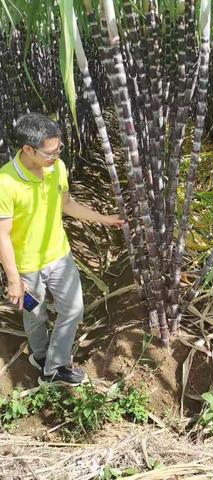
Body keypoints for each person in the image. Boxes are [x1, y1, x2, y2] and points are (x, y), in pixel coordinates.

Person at [0, 113, 124, 386]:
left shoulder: (57, 168)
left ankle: (54, 367)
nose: (56, 155)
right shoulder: (6, 183)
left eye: (59, 149)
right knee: (34, 313)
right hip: (27, 268)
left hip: (59, 256)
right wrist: (13, 279)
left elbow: (66, 204)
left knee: (73, 309)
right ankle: (41, 357)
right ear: (28, 149)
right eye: (49, 152)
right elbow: (3, 235)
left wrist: (105, 219)